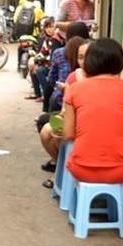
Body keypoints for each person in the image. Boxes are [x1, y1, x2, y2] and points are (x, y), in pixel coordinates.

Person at [63, 38, 123, 184]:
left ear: (89, 61)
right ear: (120, 62)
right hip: (121, 172)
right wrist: (116, 136)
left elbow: (68, 134)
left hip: (80, 169)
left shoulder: (74, 90)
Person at [40, 37, 90, 188]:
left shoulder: (106, 81)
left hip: (88, 126)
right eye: (80, 57)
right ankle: (61, 167)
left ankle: (62, 172)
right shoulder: (73, 77)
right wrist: (62, 117)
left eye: (88, 57)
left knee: (60, 137)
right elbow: (64, 110)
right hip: (72, 122)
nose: (84, 61)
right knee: (47, 131)